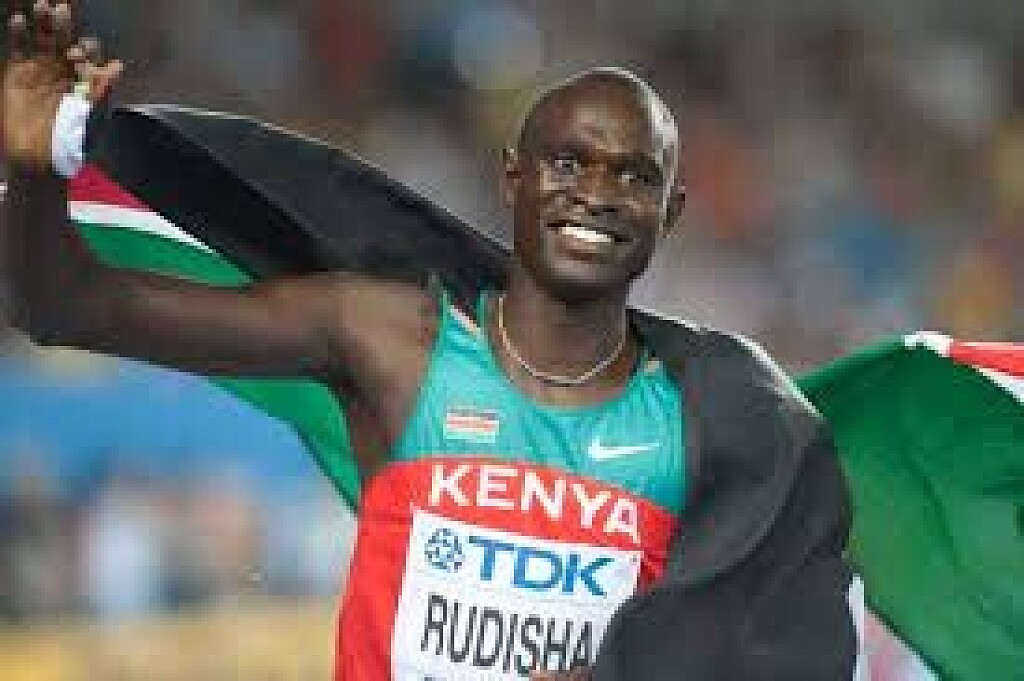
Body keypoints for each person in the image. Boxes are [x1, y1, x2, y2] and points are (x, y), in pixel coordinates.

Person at [2, 2, 856, 679]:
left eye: (634, 176)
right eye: (568, 163)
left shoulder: (708, 422)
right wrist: (35, 175)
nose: (596, 193)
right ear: (514, 177)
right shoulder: (392, 344)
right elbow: (70, 309)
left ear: (669, 213)